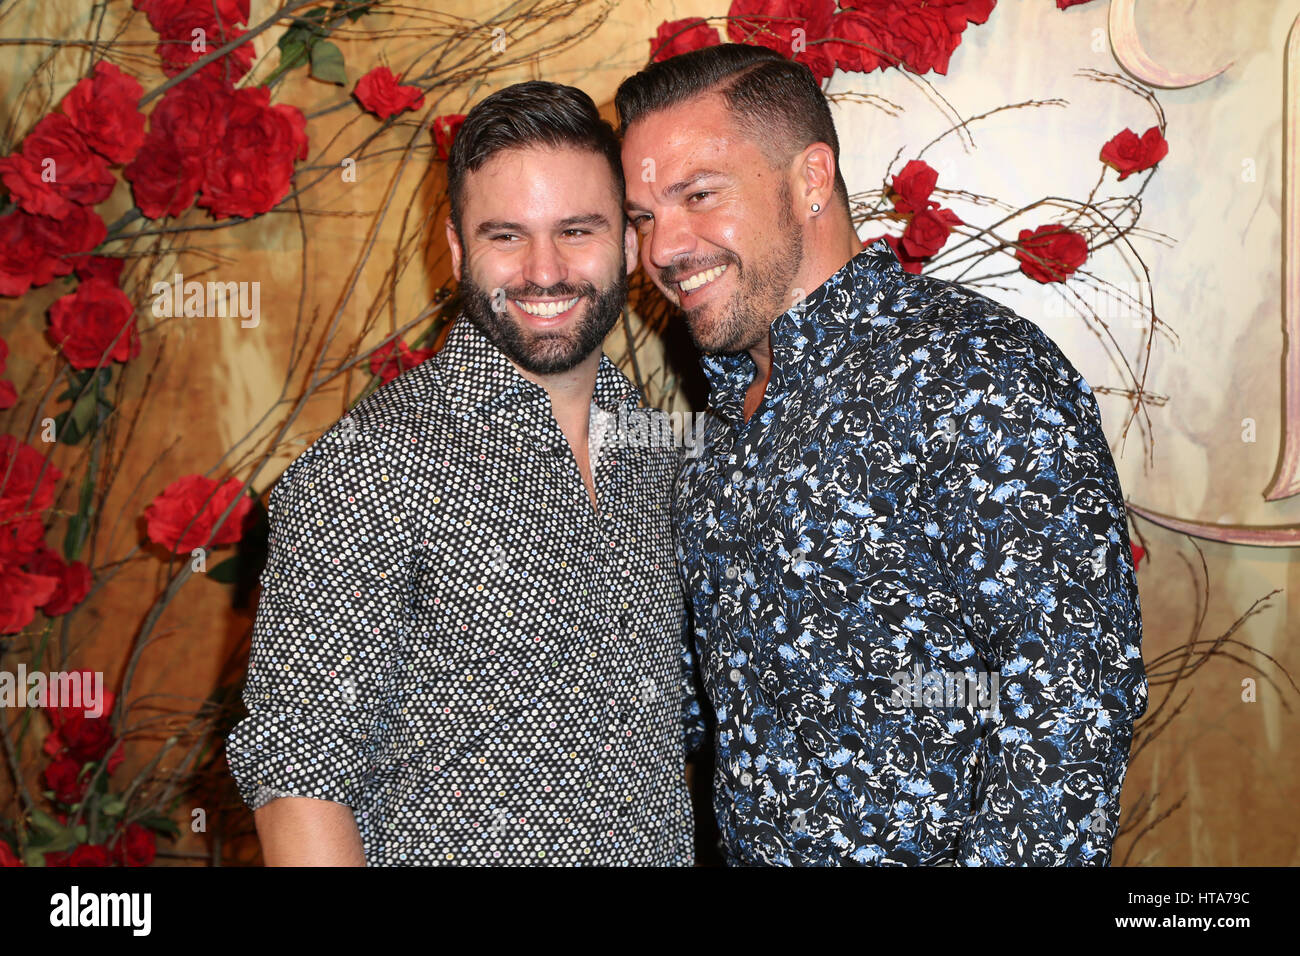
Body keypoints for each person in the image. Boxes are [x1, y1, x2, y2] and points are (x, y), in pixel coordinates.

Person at [616, 43, 1148, 866]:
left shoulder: (973, 371)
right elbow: (716, 701)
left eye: (699, 195)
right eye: (645, 216)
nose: (663, 248)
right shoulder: (721, 418)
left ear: (811, 179)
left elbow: (1070, 698)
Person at [226, 80, 703, 866]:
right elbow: (300, 783)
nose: (544, 271)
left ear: (626, 242)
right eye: (506, 236)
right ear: (456, 250)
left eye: (576, 230)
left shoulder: (656, 448)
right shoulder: (365, 466)